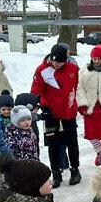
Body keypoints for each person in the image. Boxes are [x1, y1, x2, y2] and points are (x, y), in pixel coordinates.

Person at [31, 44, 81, 188]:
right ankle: (56, 172)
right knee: (53, 143)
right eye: (54, 61)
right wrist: (44, 106)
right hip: (51, 113)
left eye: (59, 62)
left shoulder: (73, 69)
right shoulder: (42, 70)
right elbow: (36, 91)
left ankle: (75, 169)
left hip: (69, 112)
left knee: (72, 142)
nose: (56, 64)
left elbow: (78, 86)